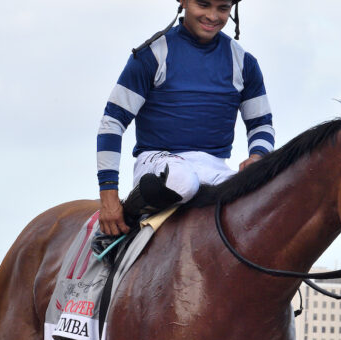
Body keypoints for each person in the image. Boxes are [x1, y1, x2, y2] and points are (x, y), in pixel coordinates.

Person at [95, 0, 274, 237]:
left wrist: (258, 156)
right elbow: (112, 122)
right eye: (203, 4)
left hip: (214, 165)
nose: (212, 16)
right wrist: (109, 196)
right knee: (183, 181)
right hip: (158, 160)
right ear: (183, 2)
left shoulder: (244, 61)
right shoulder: (151, 54)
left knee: (259, 200)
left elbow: (260, 123)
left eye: (222, 8)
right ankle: (119, 229)